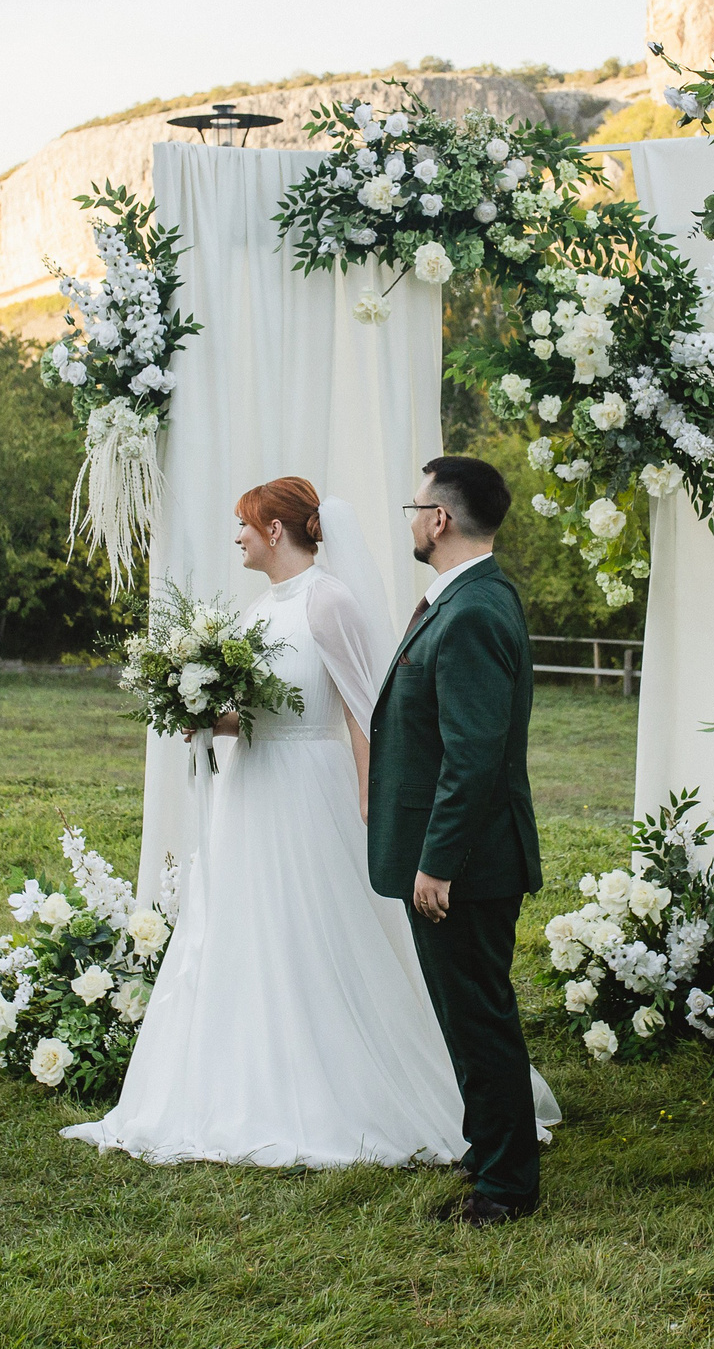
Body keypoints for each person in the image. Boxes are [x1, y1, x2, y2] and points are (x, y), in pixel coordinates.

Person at [63, 478, 492, 1168]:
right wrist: (206, 713)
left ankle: (338, 1089)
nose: (235, 536)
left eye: (244, 524)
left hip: (311, 789)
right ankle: (237, 1084)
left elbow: (363, 709)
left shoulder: (329, 599)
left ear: (275, 529)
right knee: (245, 928)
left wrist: (368, 800)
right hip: (253, 787)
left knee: (314, 931)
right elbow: (263, 709)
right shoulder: (264, 606)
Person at [369, 454, 545, 1227]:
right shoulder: (466, 598)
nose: (411, 518)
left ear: (439, 518)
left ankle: (505, 1186)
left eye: (415, 506)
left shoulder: (471, 610)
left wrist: (436, 861)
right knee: (471, 1014)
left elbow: (473, 755)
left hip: (465, 864)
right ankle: (491, 1155)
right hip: (467, 858)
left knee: (478, 1018)